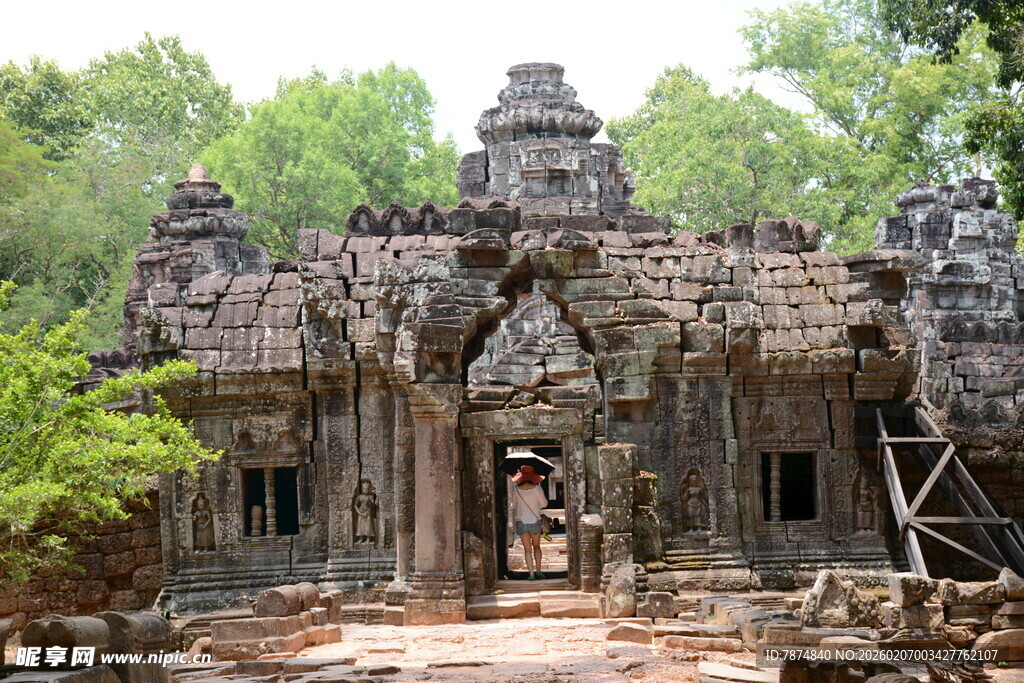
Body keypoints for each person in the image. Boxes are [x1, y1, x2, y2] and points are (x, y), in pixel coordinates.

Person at [511, 464, 548, 580]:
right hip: (534, 521)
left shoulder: (516, 490)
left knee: (527, 549)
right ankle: (538, 571)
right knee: (536, 546)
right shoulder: (537, 489)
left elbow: (513, 506)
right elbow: (544, 504)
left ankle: (531, 574)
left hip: (521, 522)